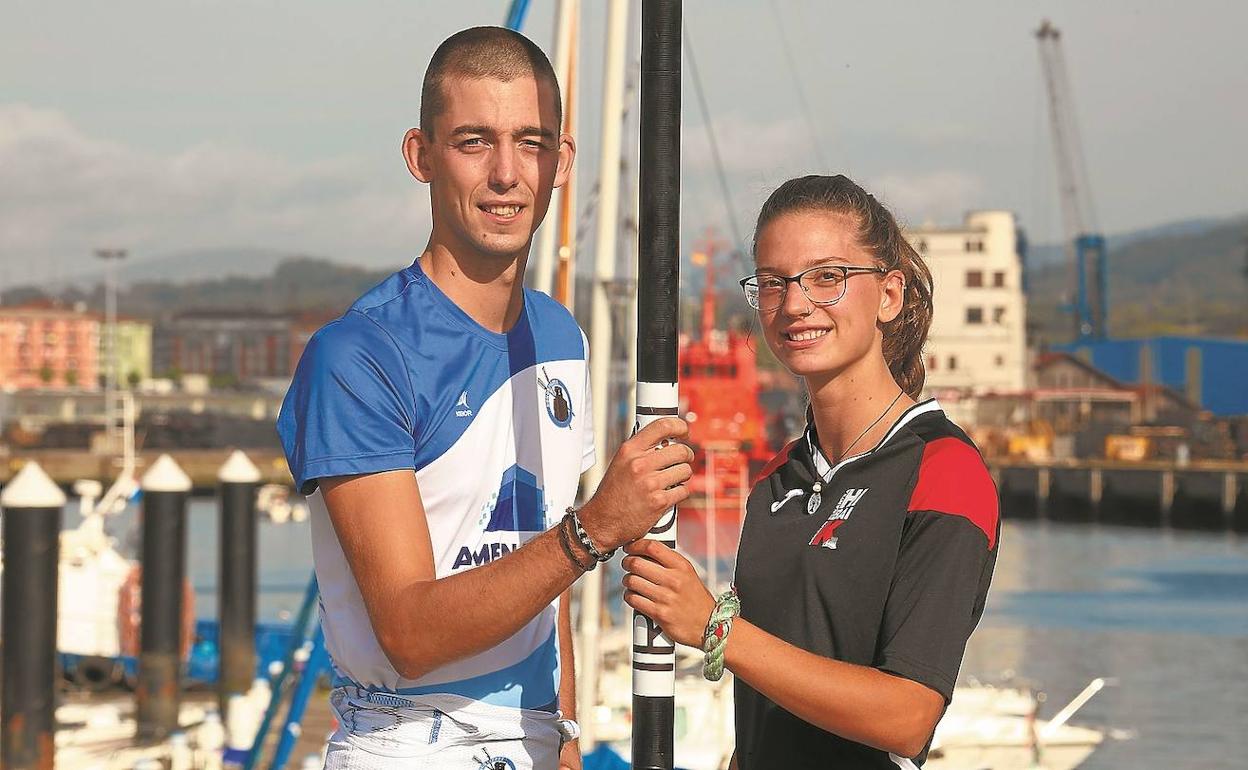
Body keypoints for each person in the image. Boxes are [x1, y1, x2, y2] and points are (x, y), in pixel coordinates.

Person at [277, 27, 692, 770]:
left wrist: (563, 740)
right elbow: (409, 633)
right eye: (474, 142)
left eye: (530, 142)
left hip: (533, 742)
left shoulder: (561, 336)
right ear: (421, 155)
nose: (506, 173)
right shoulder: (357, 356)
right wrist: (595, 529)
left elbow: (545, 582)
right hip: (404, 746)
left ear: (562, 162)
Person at [621, 174, 1000, 769]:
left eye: (828, 277)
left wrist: (715, 631)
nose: (796, 304)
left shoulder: (941, 470)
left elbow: (907, 717)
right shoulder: (778, 477)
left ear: (889, 295)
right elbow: (770, 704)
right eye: (774, 283)